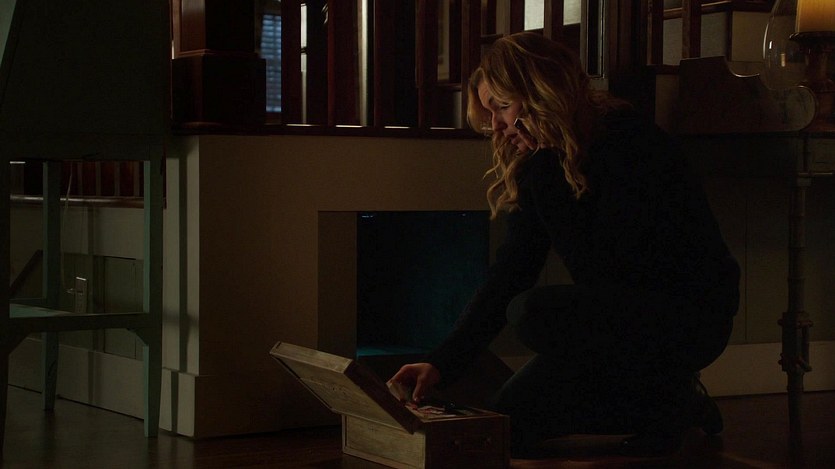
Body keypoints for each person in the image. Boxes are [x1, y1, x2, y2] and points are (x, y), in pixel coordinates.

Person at [389, 31, 740, 458]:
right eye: (489, 112)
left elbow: (637, 269)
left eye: (502, 107)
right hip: (611, 323)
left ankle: (668, 391)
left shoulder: (631, 142)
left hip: (687, 316)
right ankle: (677, 403)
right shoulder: (541, 165)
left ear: (540, 92)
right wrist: (441, 363)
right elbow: (510, 273)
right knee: (510, 424)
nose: (495, 125)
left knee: (532, 313)